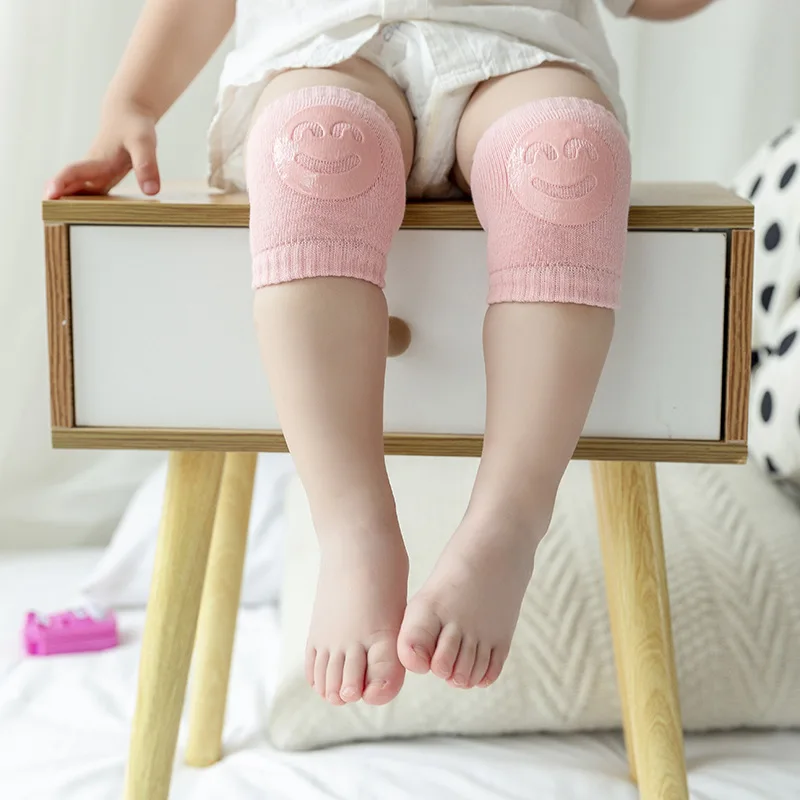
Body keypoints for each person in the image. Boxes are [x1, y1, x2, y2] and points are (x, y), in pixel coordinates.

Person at [47, 0, 717, 707]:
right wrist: (133, 100)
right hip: (327, 45)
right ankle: (351, 528)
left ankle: (508, 523)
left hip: (523, 46)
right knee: (313, 150)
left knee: (568, 159)